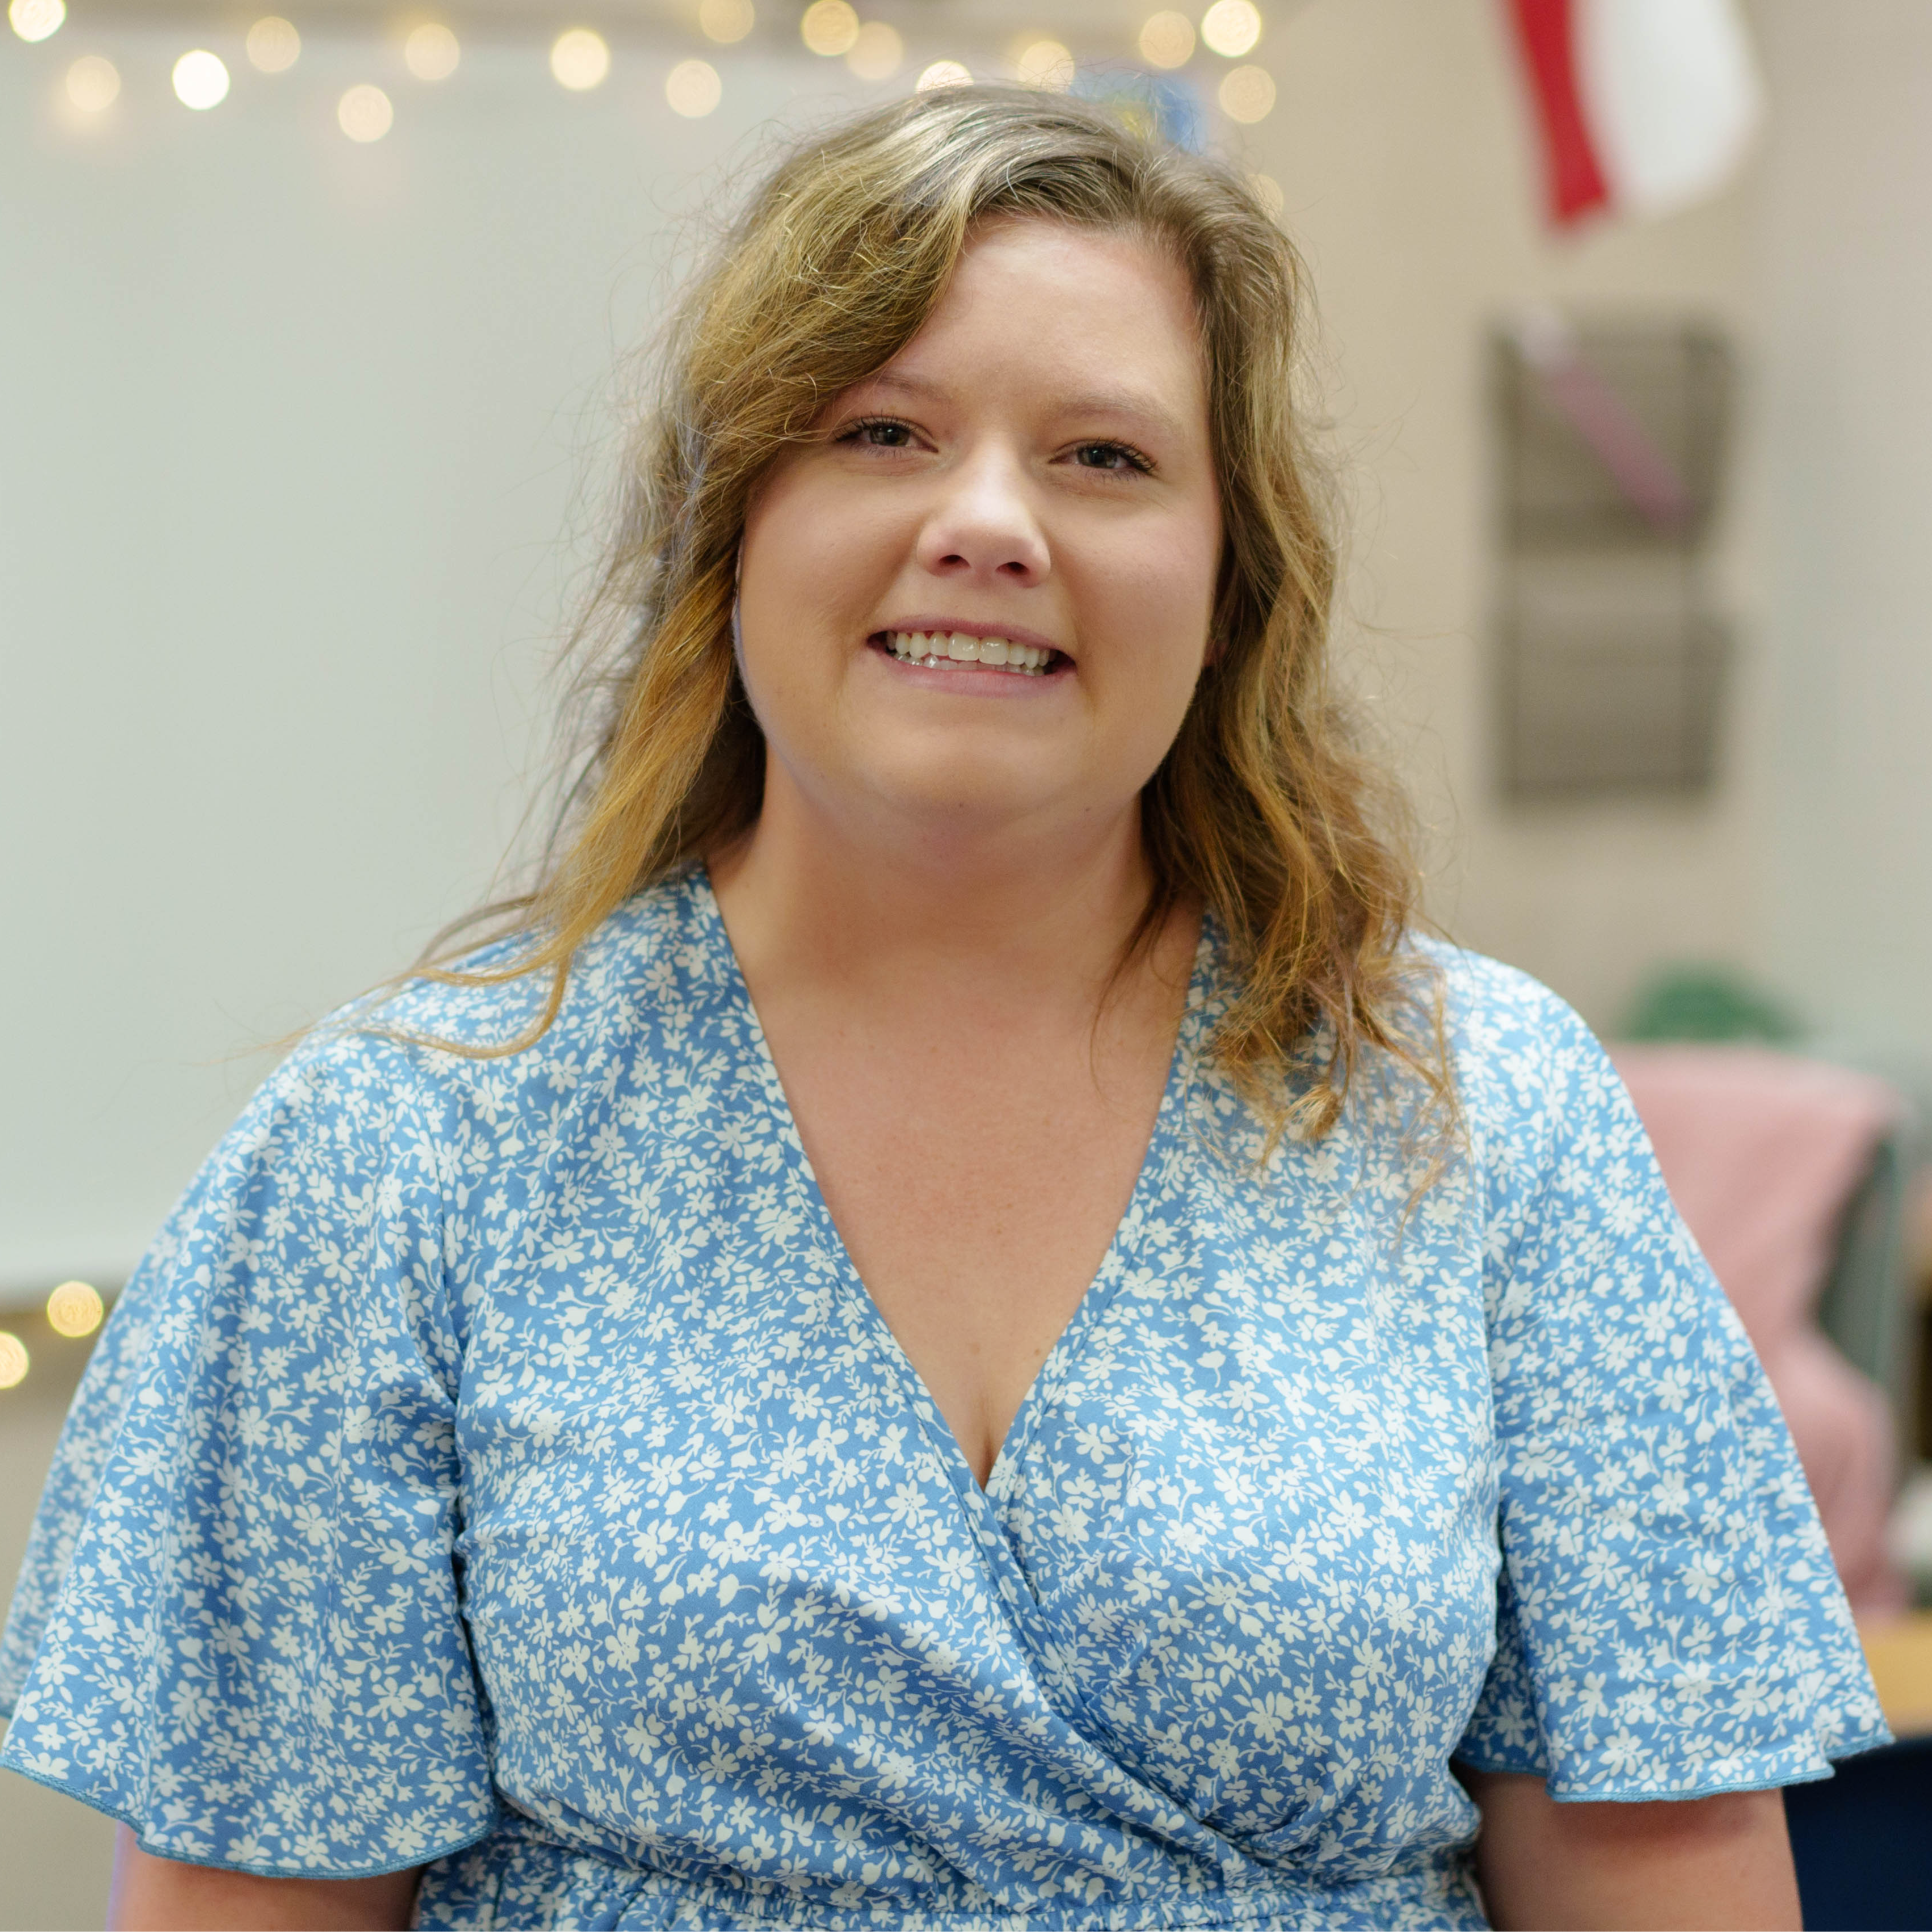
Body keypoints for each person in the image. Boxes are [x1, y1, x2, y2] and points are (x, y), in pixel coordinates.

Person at [0, 87, 1887, 1932]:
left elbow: (1660, 1873)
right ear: (731, 526)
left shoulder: (1482, 1107)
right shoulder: (402, 1146)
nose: (989, 522)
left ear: (1231, 577)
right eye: (882, 432)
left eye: (1105, 457)